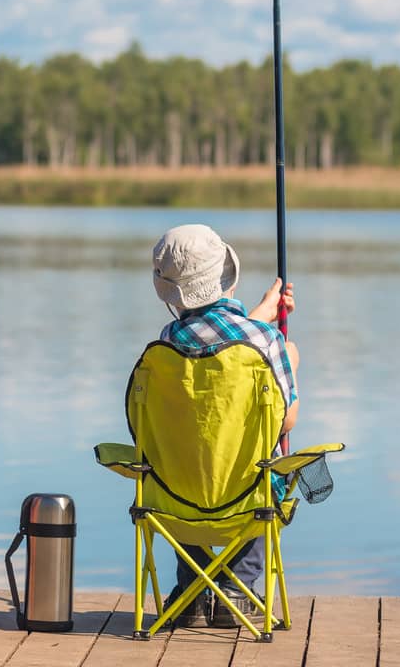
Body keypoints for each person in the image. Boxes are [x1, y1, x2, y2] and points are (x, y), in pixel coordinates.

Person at [151, 223, 299, 630]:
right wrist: (289, 357)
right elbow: (285, 421)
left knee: (181, 461)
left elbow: (214, 350)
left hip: (174, 503)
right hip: (246, 500)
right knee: (264, 463)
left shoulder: (165, 345)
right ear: (227, 276)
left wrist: (261, 312)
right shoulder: (265, 342)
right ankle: (238, 586)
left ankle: (194, 587)